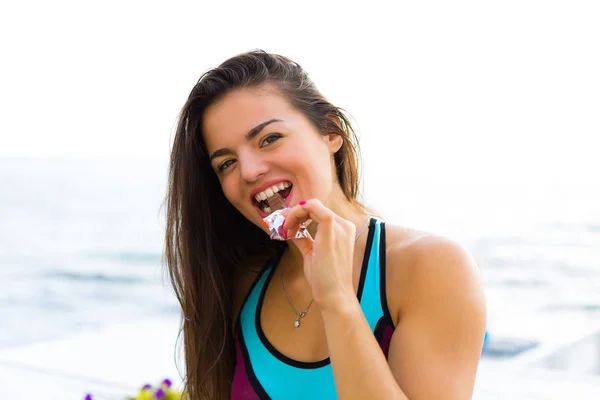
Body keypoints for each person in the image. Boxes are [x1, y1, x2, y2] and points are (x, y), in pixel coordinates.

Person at [163, 50, 487, 400]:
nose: (249, 171)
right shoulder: (241, 284)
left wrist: (338, 300)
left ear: (331, 132)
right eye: (226, 163)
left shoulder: (430, 268)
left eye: (269, 139)